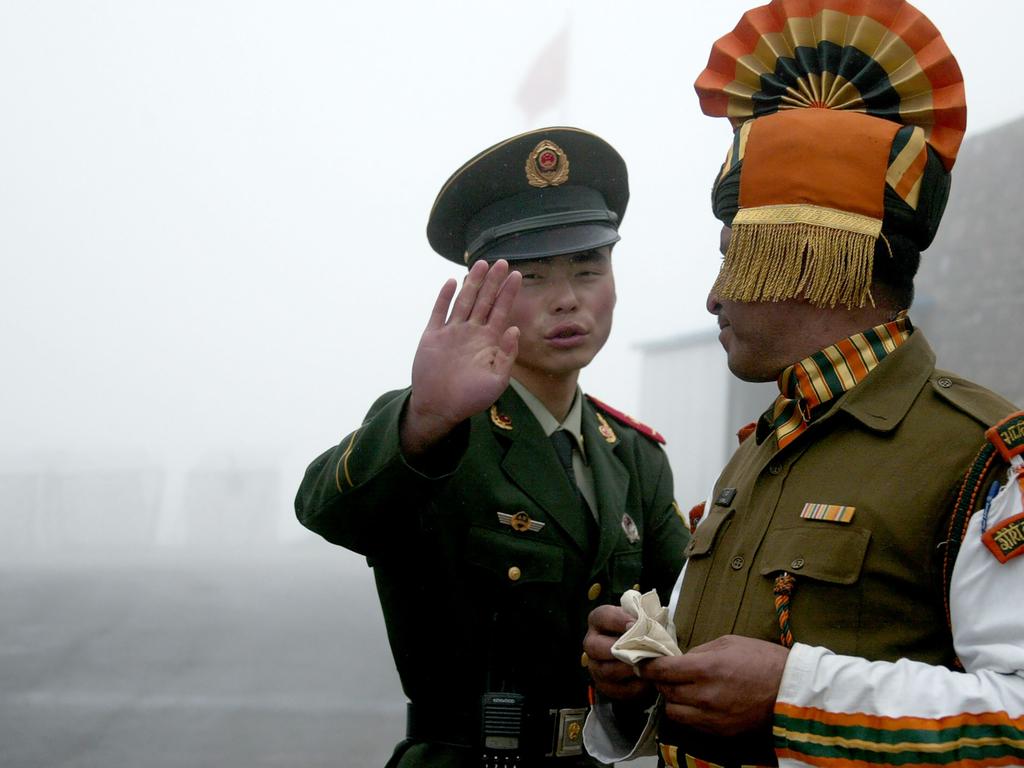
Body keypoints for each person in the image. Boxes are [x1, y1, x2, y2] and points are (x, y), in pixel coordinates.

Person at [582, 2, 1024, 766]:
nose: (714, 296)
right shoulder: (759, 452)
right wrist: (640, 681)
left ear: (810, 253)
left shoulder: (979, 457)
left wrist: (797, 695)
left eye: (733, 257)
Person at [295, 127, 689, 767]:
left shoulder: (635, 458)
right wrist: (424, 416)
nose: (568, 298)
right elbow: (324, 508)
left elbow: (688, 608)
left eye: (589, 269)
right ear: (483, 294)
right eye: (532, 277)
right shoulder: (438, 431)